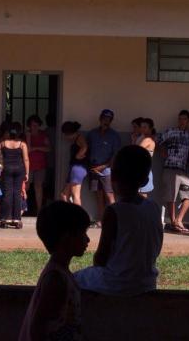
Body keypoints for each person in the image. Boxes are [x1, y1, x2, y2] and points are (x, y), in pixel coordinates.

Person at [74, 145, 163, 296]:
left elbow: (101, 259)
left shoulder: (114, 211)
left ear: (113, 177)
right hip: (147, 283)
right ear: (145, 180)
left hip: (117, 283)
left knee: (72, 279)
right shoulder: (154, 208)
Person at [19, 201, 90, 341]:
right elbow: (37, 329)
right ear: (66, 238)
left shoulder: (61, 273)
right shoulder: (56, 280)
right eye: (82, 233)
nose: (87, 239)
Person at [159, 110, 189, 232]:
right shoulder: (171, 131)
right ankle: (174, 222)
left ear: (188, 120)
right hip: (170, 167)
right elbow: (158, 138)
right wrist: (163, 148)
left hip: (183, 170)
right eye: (180, 119)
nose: (181, 121)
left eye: (184, 119)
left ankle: (178, 220)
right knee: (171, 197)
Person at [87, 109, 121, 227]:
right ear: (100, 118)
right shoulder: (92, 133)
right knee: (99, 195)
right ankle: (101, 220)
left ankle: (114, 221)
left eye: (108, 119)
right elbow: (88, 150)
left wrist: (104, 166)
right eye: (104, 118)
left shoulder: (114, 135)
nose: (106, 121)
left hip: (107, 170)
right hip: (93, 168)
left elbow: (115, 154)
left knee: (109, 195)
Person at [0, 122, 29, 229]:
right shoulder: (22, 144)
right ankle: (16, 219)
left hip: (7, 169)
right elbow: (26, 159)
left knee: (7, 193)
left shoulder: (3, 143)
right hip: (19, 170)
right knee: (17, 193)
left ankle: (6, 218)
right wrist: (27, 173)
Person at [26, 115, 50, 213]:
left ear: (39, 125)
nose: (34, 127)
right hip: (28, 165)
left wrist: (36, 148)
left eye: (36, 125)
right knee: (25, 187)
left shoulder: (43, 135)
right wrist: (28, 138)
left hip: (40, 165)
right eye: (32, 125)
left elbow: (49, 148)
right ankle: (22, 209)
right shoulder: (26, 135)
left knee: (38, 187)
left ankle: (39, 209)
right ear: (29, 126)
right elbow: (27, 149)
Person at [60, 121, 88, 206]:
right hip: (74, 168)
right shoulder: (77, 139)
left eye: (66, 134)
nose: (65, 137)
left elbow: (85, 147)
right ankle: (71, 214)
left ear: (70, 133)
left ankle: (78, 217)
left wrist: (78, 155)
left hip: (78, 168)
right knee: (64, 195)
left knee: (75, 195)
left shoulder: (80, 138)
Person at [138, 118, 156, 197]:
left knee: (142, 196)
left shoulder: (148, 139)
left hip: (143, 171)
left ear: (150, 128)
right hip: (141, 170)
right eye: (141, 127)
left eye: (145, 127)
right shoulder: (142, 138)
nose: (142, 129)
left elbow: (135, 151)